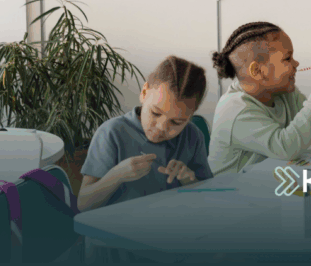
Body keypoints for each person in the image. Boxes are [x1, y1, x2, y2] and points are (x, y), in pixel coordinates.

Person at [208, 21, 311, 174]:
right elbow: (285, 147)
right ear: (257, 70)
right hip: (230, 194)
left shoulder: (284, 94)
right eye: (287, 58)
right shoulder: (235, 111)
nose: (296, 63)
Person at [79, 56, 212, 211]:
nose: (162, 127)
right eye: (155, 113)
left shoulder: (193, 136)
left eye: (176, 122)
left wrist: (189, 181)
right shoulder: (111, 133)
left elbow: (207, 195)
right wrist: (117, 175)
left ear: (191, 115)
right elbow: (83, 204)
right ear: (144, 93)